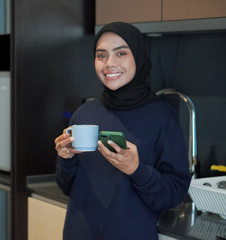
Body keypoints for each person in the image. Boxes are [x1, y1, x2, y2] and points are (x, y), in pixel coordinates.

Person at [54, 22, 191, 240]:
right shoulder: (83, 114)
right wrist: (66, 158)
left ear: (138, 56)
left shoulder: (162, 117)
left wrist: (136, 169)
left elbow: (173, 194)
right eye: (101, 55)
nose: (109, 64)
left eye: (121, 53)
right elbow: (67, 186)